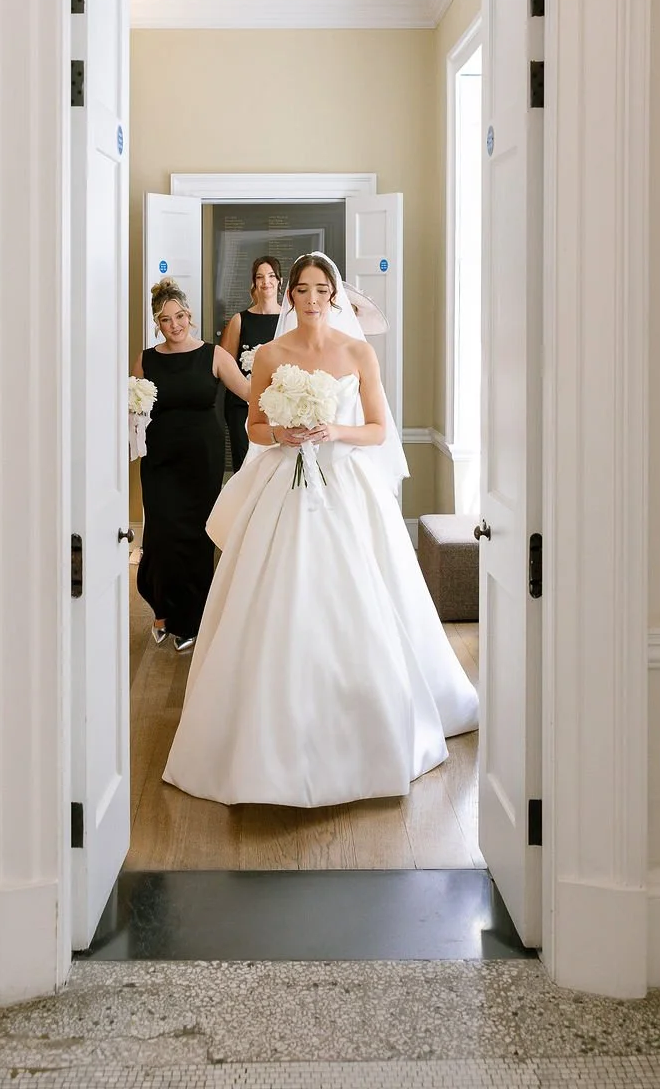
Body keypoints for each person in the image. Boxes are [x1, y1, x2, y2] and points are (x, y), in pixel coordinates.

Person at [162, 253, 479, 807]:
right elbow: (253, 427)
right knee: (273, 599)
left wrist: (332, 428)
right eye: (302, 289)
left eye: (320, 289)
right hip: (285, 483)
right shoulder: (269, 355)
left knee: (362, 596)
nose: (311, 298)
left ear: (334, 294)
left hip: (344, 484)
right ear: (289, 296)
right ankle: (259, 737)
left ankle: (372, 727)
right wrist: (280, 433)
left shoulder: (358, 351)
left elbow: (379, 430)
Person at [133, 278, 250, 651]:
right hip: (160, 460)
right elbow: (133, 409)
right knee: (162, 534)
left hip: (202, 459)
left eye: (180, 316)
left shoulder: (214, 355)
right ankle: (162, 612)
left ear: (191, 317)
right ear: (158, 325)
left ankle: (193, 620)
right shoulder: (146, 359)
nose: (175, 325)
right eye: (166, 320)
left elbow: (249, 393)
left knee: (197, 537)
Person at [219, 254, 283, 471]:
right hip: (240, 406)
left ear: (280, 281)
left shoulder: (289, 320)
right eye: (260, 277)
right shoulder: (240, 320)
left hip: (278, 406)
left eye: (271, 276)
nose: (266, 282)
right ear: (254, 282)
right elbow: (225, 366)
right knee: (245, 465)